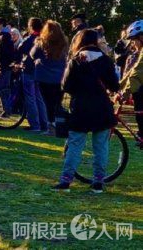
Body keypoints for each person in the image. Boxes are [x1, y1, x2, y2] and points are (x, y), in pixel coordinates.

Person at [54, 29, 120, 193]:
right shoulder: (105, 60)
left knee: (75, 146)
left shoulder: (76, 60)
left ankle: (65, 181)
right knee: (101, 148)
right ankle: (98, 182)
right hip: (101, 107)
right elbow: (114, 85)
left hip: (80, 108)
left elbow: (65, 86)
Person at [31, 21, 68, 134]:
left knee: (47, 103)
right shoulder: (64, 43)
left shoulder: (42, 42)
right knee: (57, 103)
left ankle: (50, 126)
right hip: (60, 77)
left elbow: (32, 54)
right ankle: (59, 125)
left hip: (44, 76)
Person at [18, 18, 49, 132]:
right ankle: (44, 124)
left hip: (29, 70)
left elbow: (20, 48)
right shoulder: (44, 39)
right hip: (40, 72)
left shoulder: (30, 39)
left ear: (30, 26)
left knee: (30, 98)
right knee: (39, 98)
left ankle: (35, 125)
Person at [120, 20, 143, 137]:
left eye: (134, 40)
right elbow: (131, 72)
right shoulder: (136, 55)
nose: (133, 43)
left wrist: (124, 92)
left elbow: (136, 74)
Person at [0, 17, 15, 115]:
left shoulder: (4, 37)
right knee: (3, 90)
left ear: (1, 25)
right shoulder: (4, 36)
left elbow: (3, 53)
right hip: (4, 67)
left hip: (3, 67)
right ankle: (7, 110)